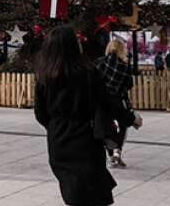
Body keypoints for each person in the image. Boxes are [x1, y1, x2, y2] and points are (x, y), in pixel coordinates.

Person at [34, 25, 141, 206]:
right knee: (94, 192)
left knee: (72, 191)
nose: (80, 41)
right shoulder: (87, 73)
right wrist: (131, 118)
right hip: (85, 138)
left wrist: (56, 127)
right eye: (76, 39)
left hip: (58, 141)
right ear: (70, 45)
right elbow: (107, 103)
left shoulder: (44, 76)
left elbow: (40, 113)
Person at [96, 39, 134, 168]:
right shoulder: (126, 66)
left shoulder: (102, 62)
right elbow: (129, 85)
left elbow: (95, 79)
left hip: (103, 99)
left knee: (107, 126)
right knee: (122, 125)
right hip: (118, 99)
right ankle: (118, 150)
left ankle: (110, 155)